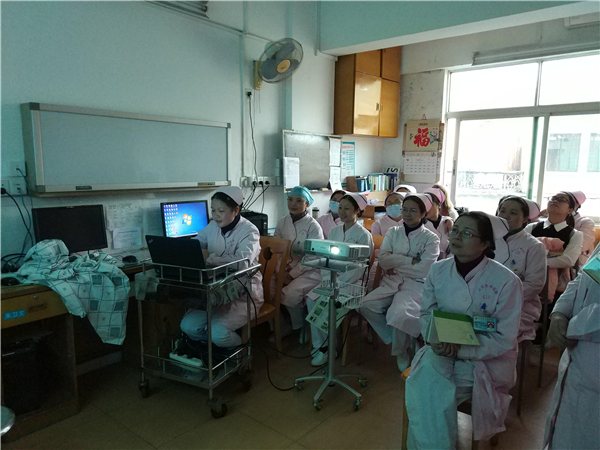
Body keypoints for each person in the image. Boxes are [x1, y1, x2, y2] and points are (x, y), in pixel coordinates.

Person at [406, 212, 523, 448]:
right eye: (456, 230)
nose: (457, 236)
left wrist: (461, 349)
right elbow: (427, 313)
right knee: (429, 378)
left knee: (429, 390)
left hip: (487, 359)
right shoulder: (438, 270)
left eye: (467, 233)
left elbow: (504, 337)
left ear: (485, 243)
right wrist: (435, 340)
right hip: (441, 349)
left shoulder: (506, 281)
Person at [360, 194, 440, 371]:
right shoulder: (393, 232)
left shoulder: (431, 238)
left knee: (400, 315)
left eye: (413, 210)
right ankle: (401, 342)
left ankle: (400, 352)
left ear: (423, 214)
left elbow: (425, 270)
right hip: (391, 281)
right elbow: (383, 261)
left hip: (415, 284)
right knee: (366, 305)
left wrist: (396, 264)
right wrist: (409, 261)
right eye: (405, 210)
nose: (407, 214)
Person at [180, 186, 263, 348]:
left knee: (218, 333)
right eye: (213, 210)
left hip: (243, 295)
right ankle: (213, 352)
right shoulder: (213, 226)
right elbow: (196, 243)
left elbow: (242, 262)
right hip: (215, 293)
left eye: (221, 211)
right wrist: (180, 248)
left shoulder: (249, 231)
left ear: (236, 210)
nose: (216, 215)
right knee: (188, 326)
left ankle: (239, 353)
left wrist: (211, 259)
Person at [306, 192, 374, 366]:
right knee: (311, 300)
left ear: (357, 211)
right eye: (340, 207)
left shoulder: (363, 235)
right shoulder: (334, 231)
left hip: (352, 284)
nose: (342, 212)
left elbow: (360, 268)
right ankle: (321, 346)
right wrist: (328, 278)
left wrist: (338, 282)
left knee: (328, 305)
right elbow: (326, 258)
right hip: (331, 279)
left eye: (347, 208)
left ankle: (327, 348)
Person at [544, 243, 600, 450]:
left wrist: (571, 326)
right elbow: (584, 277)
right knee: (566, 431)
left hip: (593, 363)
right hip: (578, 360)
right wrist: (560, 312)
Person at [272, 186, 324, 343]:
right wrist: (281, 270)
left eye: (299, 201)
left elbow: (313, 257)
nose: (293, 204)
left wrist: (291, 274)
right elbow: (277, 249)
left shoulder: (313, 226)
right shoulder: (282, 222)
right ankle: (281, 326)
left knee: (289, 294)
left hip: (310, 271)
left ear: (307, 204)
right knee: (266, 289)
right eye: (290, 199)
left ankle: (301, 327)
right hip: (284, 266)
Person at [495, 196, 546, 342]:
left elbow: (534, 284)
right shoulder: (488, 240)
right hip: (484, 299)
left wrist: (503, 300)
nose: (505, 216)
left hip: (520, 305)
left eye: (513, 213)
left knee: (498, 330)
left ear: (524, 219)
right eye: (502, 211)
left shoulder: (534, 246)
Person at [423, 187, 453, 260]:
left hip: (447, 262)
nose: (426, 208)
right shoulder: (420, 224)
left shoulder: (447, 222)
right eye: (424, 205)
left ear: (439, 205)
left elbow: (454, 246)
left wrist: (447, 262)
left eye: (430, 204)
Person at [570, 190, 596, 268]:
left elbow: (582, 245)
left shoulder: (586, 222)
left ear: (576, 205)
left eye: (563, 201)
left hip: (578, 266)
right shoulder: (551, 221)